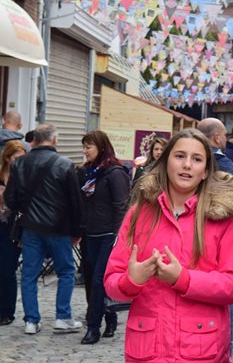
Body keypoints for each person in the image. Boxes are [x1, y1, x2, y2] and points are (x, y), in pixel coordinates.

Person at [103, 129, 233, 362]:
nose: (187, 165)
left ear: (205, 171)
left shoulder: (223, 219)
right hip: (147, 349)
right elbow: (111, 283)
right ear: (165, 162)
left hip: (201, 350)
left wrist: (183, 279)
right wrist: (131, 280)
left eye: (196, 159)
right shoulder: (139, 214)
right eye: (179, 156)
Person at [4, 123, 83, 335]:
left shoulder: (19, 163)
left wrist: (25, 210)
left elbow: (10, 198)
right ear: (54, 140)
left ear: (35, 140)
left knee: (29, 274)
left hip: (30, 227)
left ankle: (31, 320)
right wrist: (77, 231)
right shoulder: (65, 164)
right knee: (66, 272)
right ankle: (62, 317)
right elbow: (75, 202)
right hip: (59, 228)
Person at [78, 131, 131, 344]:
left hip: (109, 235)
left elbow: (121, 206)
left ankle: (93, 328)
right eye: (84, 146)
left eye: (88, 146)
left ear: (101, 147)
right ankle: (110, 316)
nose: (85, 151)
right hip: (89, 234)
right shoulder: (86, 172)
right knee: (91, 281)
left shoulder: (115, 173)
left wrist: (119, 237)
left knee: (100, 280)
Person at [0, 140, 26, 325]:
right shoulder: (1, 174)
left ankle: (7, 312)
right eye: (17, 158)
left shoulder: (24, 178)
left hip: (13, 228)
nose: (20, 161)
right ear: (8, 158)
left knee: (8, 270)